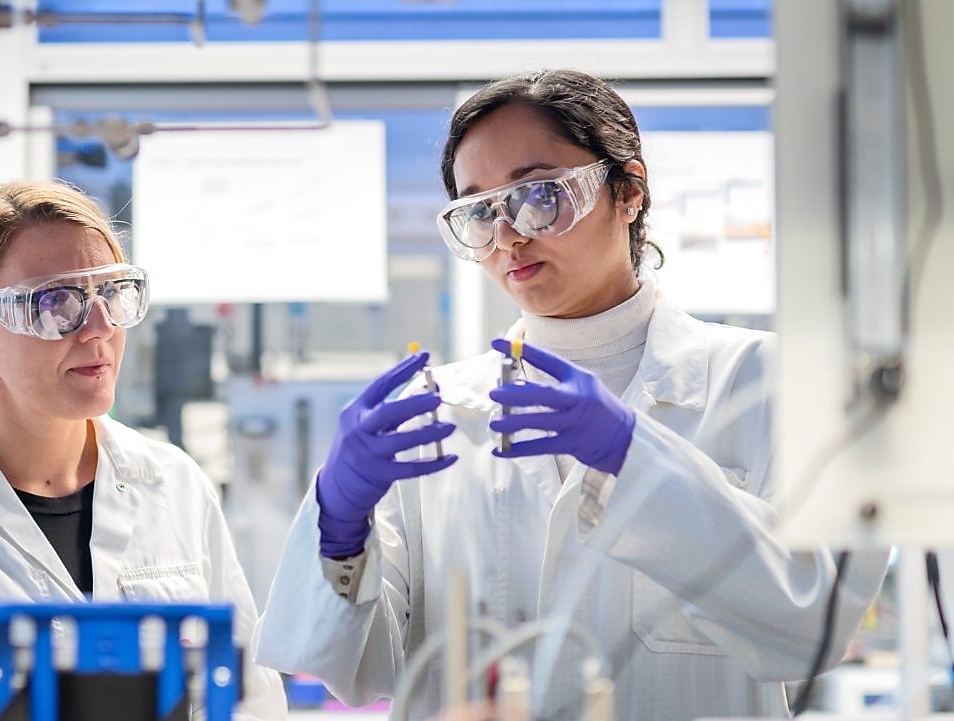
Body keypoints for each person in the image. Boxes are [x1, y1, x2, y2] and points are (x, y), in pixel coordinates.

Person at [255, 70, 888, 721]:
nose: (507, 236)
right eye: (480, 209)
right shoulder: (436, 414)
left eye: (539, 195)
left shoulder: (765, 383)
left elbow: (814, 623)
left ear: (630, 190)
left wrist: (636, 459)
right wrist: (339, 522)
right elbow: (352, 667)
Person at [0, 180, 286, 720]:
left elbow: (252, 700)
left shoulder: (173, 483)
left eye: (112, 293)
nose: (98, 329)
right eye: (55, 302)